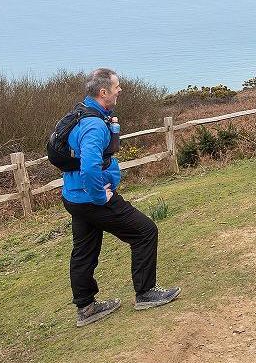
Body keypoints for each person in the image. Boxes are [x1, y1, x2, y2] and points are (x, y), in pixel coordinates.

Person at [61, 68, 179, 327]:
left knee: (84, 250)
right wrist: (100, 197)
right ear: (103, 92)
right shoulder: (93, 124)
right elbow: (90, 167)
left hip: (73, 196)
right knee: (145, 231)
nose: (120, 90)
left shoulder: (81, 114)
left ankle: (86, 308)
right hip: (91, 198)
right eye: (117, 86)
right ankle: (146, 293)